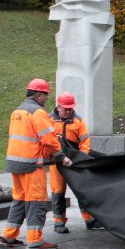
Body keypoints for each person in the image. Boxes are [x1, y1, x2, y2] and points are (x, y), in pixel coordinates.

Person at [0, 79, 71, 249]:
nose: (46, 99)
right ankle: (35, 240)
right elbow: (48, 139)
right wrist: (62, 157)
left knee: (19, 200)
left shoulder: (17, 111)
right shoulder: (38, 112)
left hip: (15, 163)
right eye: (45, 95)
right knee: (36, 201)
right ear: (39, 95)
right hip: (31, 165)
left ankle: (8, 236)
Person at [48, 92, 99, 233]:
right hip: (56, 163)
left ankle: (89, 219)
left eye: (71, 108)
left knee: (81, 191)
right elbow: (46, 141)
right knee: (57, 192)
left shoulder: (78, 121)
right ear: (58, 106)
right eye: (66, 108)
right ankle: (59, 223)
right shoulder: (48, 120)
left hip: (75, 163)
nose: (69, 111)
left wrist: (80, 160)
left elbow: (85, 143)